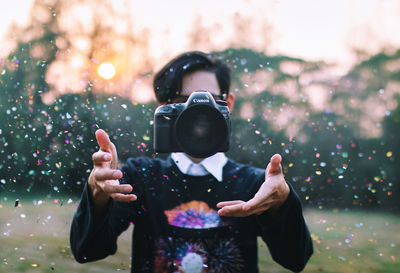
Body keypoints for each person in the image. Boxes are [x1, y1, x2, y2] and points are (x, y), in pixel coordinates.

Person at [70, 51, 313, 272]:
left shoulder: (256, 185)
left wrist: (282, 203)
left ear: (228, 105)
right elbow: (88, 251)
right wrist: (96, 192)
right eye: (182, 100)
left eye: (210, 99)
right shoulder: (140, 177)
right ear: (164, 109)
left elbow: (295, 259)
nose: (197, 113)